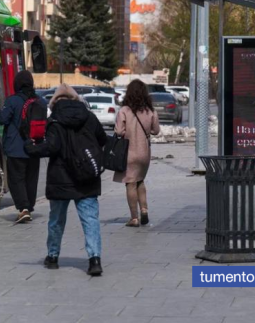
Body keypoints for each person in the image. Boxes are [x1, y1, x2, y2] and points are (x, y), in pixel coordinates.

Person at [24, 84, 106, 276]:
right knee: (90, 220)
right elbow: (102, 139)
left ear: (54, 103)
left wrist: (31, 148)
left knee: (56, 220)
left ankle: (52, 256)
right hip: (87, 177)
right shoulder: (90, 117)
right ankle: (94, 260)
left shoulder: (54, 121)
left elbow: (51, 147)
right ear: (76, 99)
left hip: (61, 178)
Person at [0, 70, 46, 223]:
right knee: (31, 179)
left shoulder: (12, 101)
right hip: (34, 147)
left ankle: (23, 208)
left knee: (16, 179)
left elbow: (2, 119)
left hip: (15, 148)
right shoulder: (40, 101)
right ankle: (29, 207)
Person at [114, 79, 160, 227]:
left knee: (130, 183)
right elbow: (156, 130)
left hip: (129, 153)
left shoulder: (124, 111)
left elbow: (119, 131)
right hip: (145, 153)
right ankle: (144, 210)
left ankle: (134, 218)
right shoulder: (150, 111)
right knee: (140, 181)